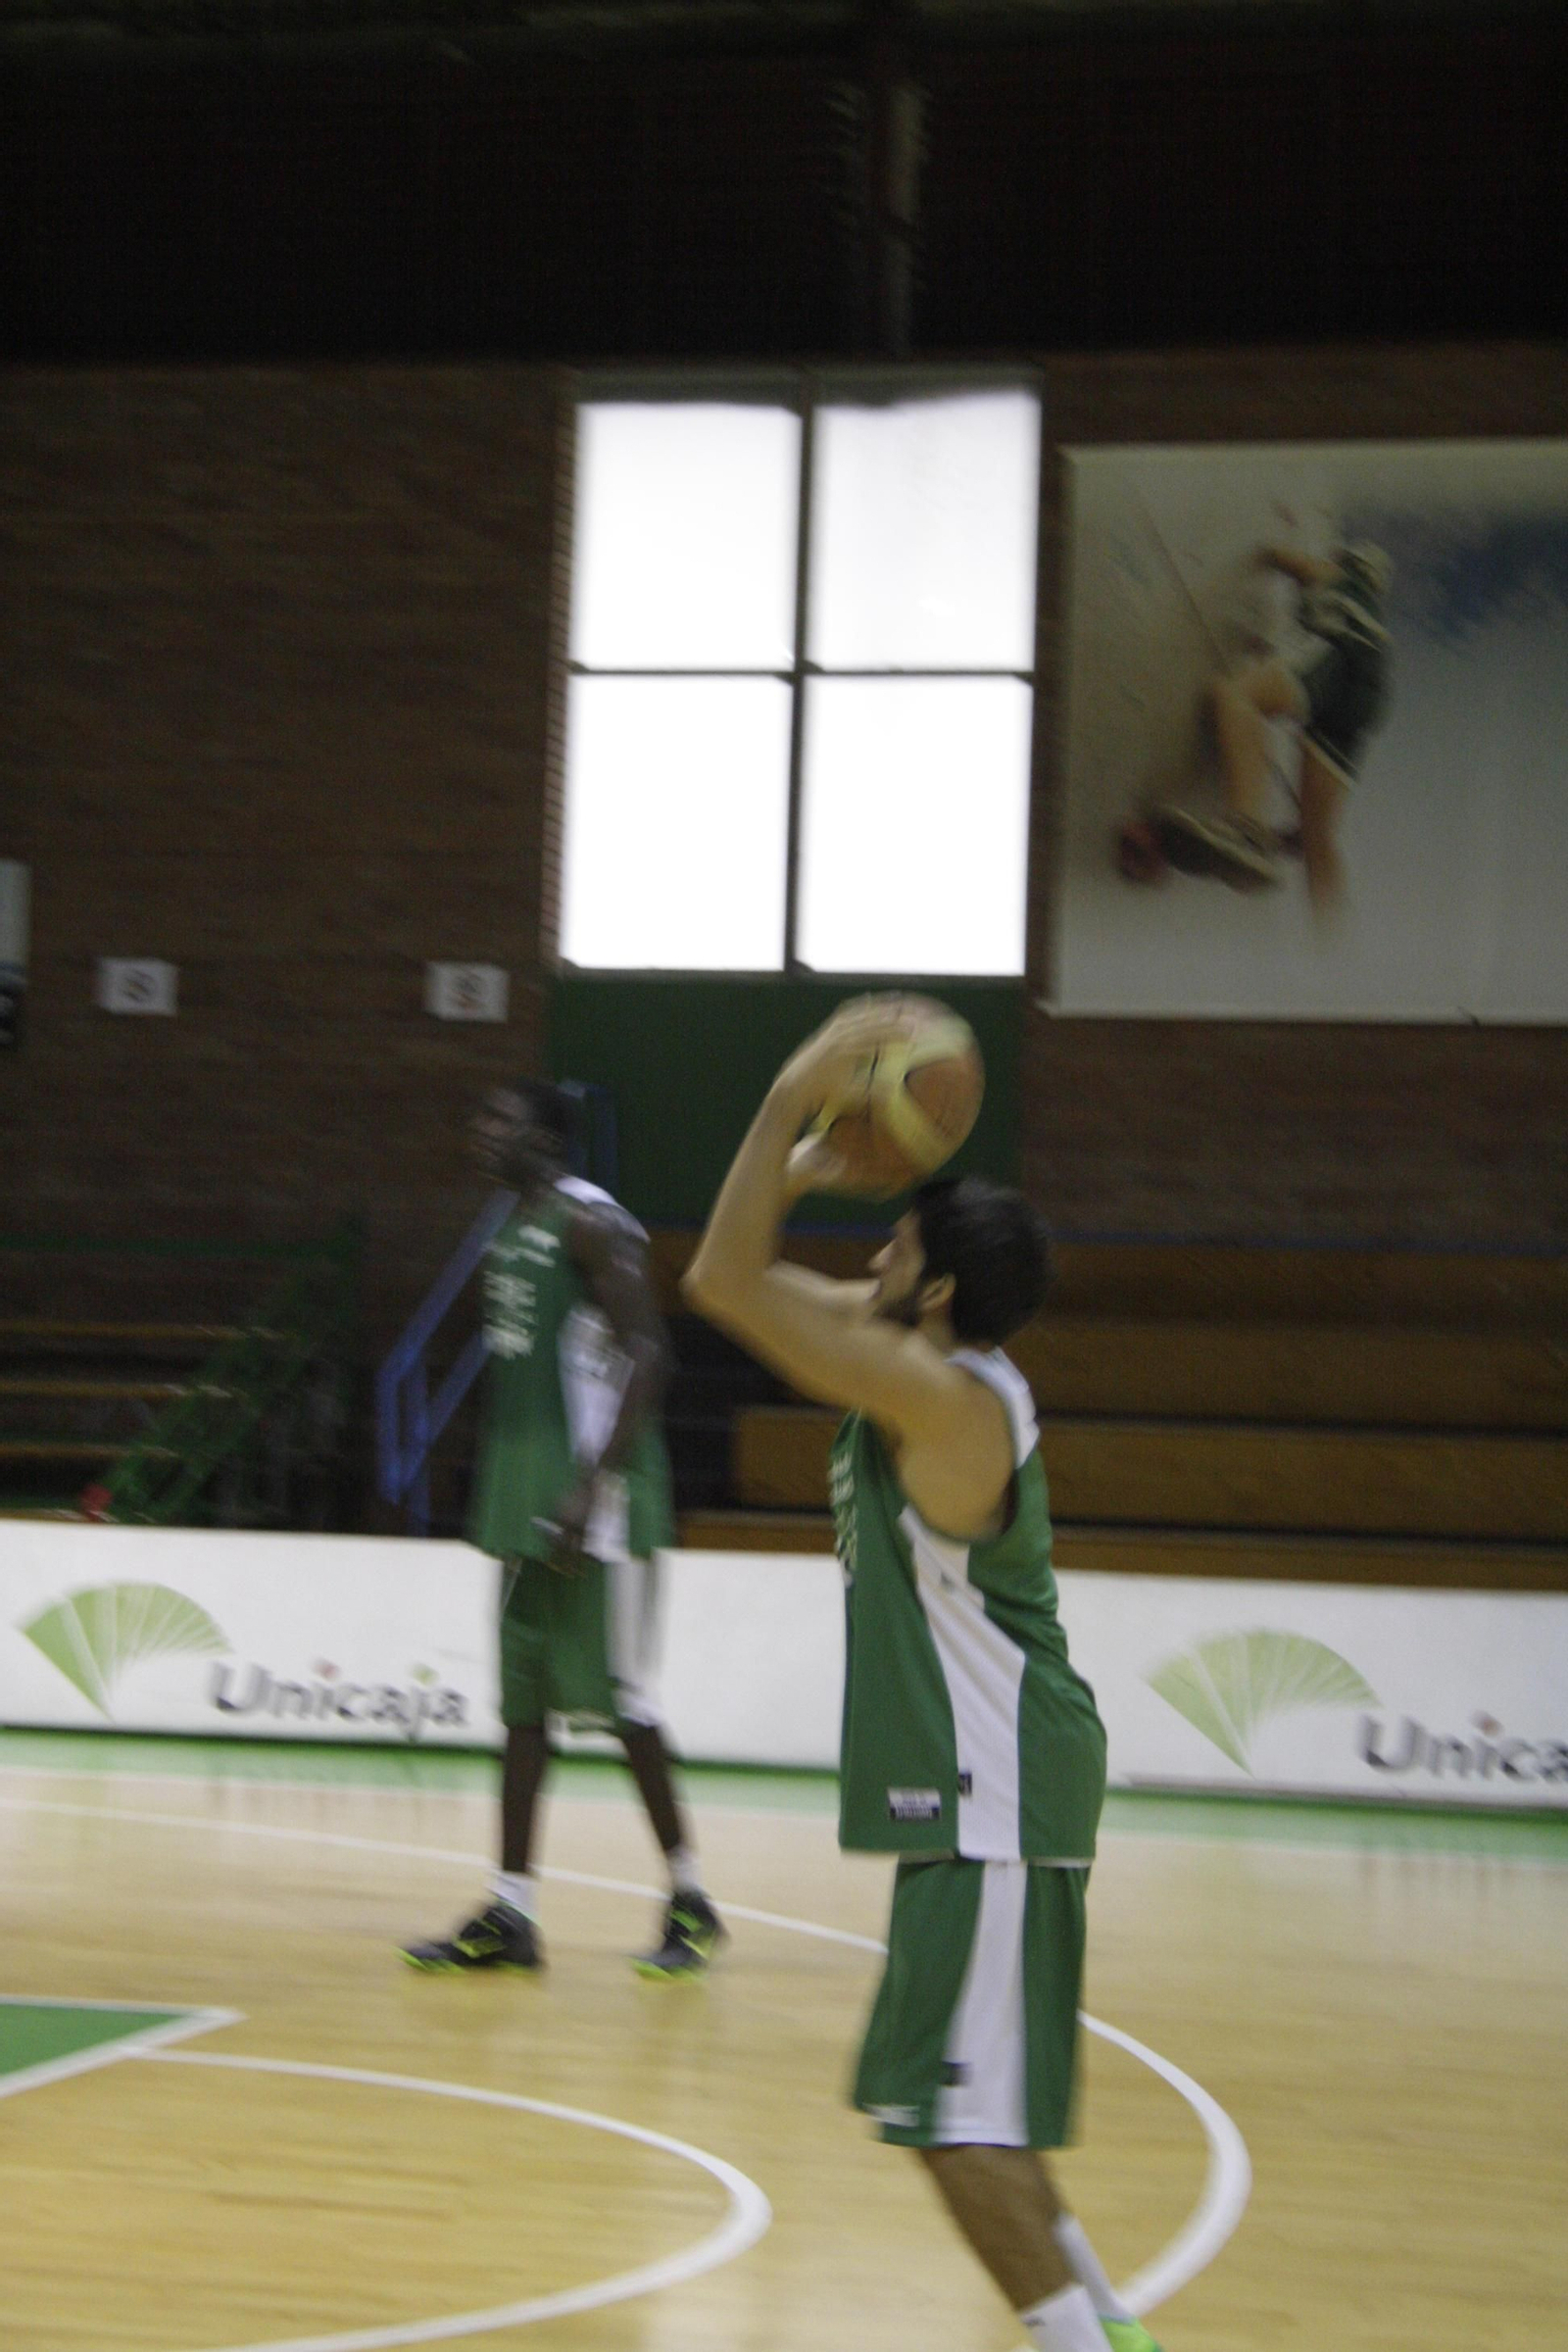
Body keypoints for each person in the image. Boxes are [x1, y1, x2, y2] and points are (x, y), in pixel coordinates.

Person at [682, 999, 1157, 2352]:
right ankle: (1108, 2328)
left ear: (934, 1288)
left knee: (956, 2124)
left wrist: (790, 1103)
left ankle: (1080, 2342)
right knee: (978, 2104)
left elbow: (723, 1284)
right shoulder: (937, 1362)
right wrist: (817, 1166)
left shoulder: (933, 1393)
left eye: (893, 1239)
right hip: (997, 1780)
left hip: (994, 1780)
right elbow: (736, 1270)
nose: (872, 1245)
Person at [402, 1078, 724, 1981]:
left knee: (625, 1704)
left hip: (601, 1508)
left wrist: (593, 1487)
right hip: (524, 1496)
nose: (478, 1131)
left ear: (545, 1138)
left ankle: (692, 1899)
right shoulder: (510, 1226)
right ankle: (512, 1911)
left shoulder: (594, 1222)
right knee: (523, 1710)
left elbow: (651, 1351)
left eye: (497, 1119)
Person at [1158, 539, 1393, 910]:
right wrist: (1286, 839)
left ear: (1349, 563)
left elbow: (1277, 555)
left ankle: (1245, 830)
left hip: (1338, 654)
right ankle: (1331, 948)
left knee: (1237, 697)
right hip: (1367, 699)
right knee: (1316, 839)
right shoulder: (1376, 622)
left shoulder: (1338, 578)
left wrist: (1263, 548)